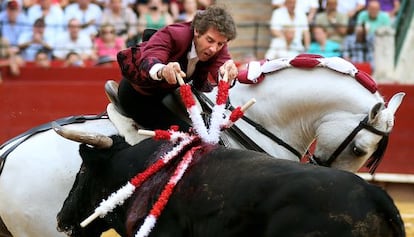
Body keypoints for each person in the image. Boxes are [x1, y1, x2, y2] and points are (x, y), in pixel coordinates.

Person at [115, 5, 237, 130]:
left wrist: (229, 73)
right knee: (189, 133)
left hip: (168, 95)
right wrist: (163, 70)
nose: (213, 49)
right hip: (138, 96)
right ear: (197, 31)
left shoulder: (218, 43)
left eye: (220, 44)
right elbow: (151, 57)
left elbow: (223, 67)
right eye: (209, 40)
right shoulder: (174, 34)